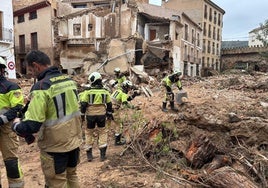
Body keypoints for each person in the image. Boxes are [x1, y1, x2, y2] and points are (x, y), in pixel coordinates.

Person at [11, 50, 82, 188]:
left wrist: (16, 125)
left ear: (36, 66)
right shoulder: (69, 81)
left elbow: (32, 125)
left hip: (55, 146)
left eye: (31, 71)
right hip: (74, 142)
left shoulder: (42, 87)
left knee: (56, 182)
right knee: (72, 176)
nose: (31, 74)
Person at [0, 57, 25, 188]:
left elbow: (18, 108)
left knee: (11, 162)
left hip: (6, 129)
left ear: (2, 69)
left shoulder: (11, 87)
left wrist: (2, 119)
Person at [79, 72, 113, 162]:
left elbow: (83, 105)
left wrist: (82, 116)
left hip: (90, 115)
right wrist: (109, 114)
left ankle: (89, 155)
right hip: (102, 115)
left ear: (92, 81)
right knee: (102, 132)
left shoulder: (87, 92)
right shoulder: (105, 92)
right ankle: (102, 155)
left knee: (88, 133)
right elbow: (109, 104)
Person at [111, 80, 139, 145]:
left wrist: (134, 95)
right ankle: (117, 141)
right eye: (129, 87)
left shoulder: (118, 90)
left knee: (109, 124)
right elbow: (125, 103)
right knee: (119, 125)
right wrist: (133, 107)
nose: (129, 89)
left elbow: (127, 99)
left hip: (108, 108)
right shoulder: (123, 93)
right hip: (114, 109)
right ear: (126, 87)